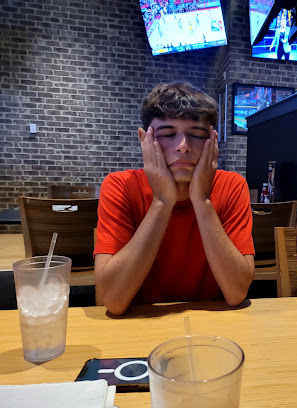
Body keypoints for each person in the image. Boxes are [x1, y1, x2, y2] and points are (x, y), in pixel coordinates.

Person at [94, 82, 255, 315]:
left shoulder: (232, 185)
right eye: (167, 134)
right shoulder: (121, 185)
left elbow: (236, 293)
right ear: (144, 139)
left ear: (213, 140)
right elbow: (113, 300)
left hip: (213, 326)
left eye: (197, 135)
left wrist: (202, 200)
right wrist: (162, 201)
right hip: (139, 323)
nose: (183, 147)